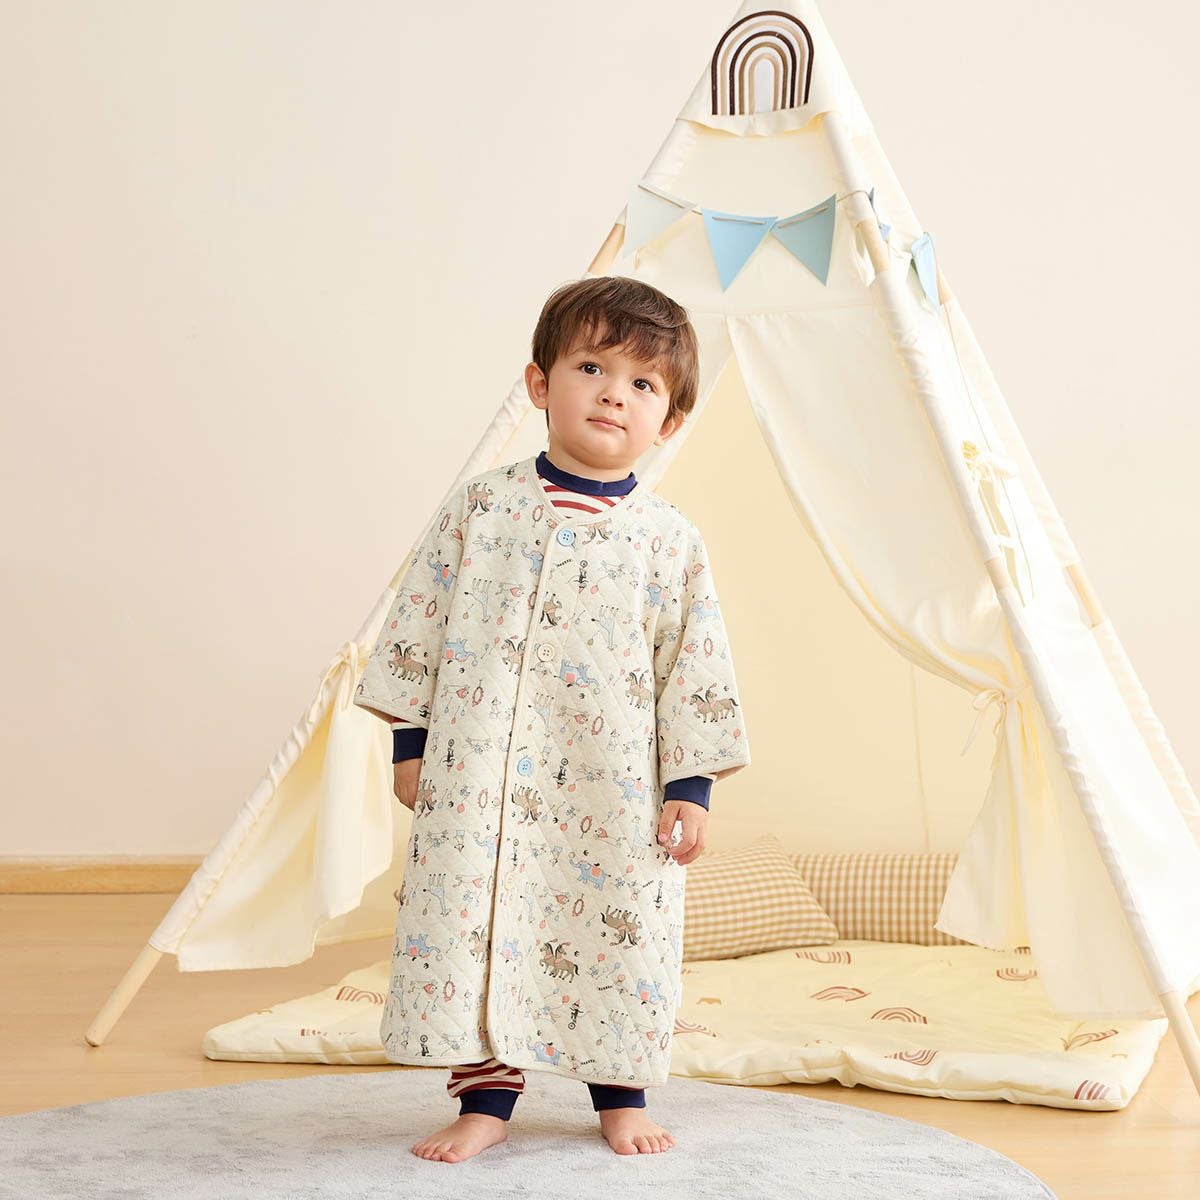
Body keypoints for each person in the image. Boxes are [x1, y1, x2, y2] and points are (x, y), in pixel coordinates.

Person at [353, 275, 751, 1162]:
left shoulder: (669, 540)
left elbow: (694, 666)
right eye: (591, 368)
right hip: (479, 775)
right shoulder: (481, 508)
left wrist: (690, 788)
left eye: (643, 384)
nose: (614, 394)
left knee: (618, 927)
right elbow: (421, 621)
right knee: (476, 919)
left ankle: (621, 1096)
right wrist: (412, 746)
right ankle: (485, 1099)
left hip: (615, 788)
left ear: (670, 421)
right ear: (540, 383)